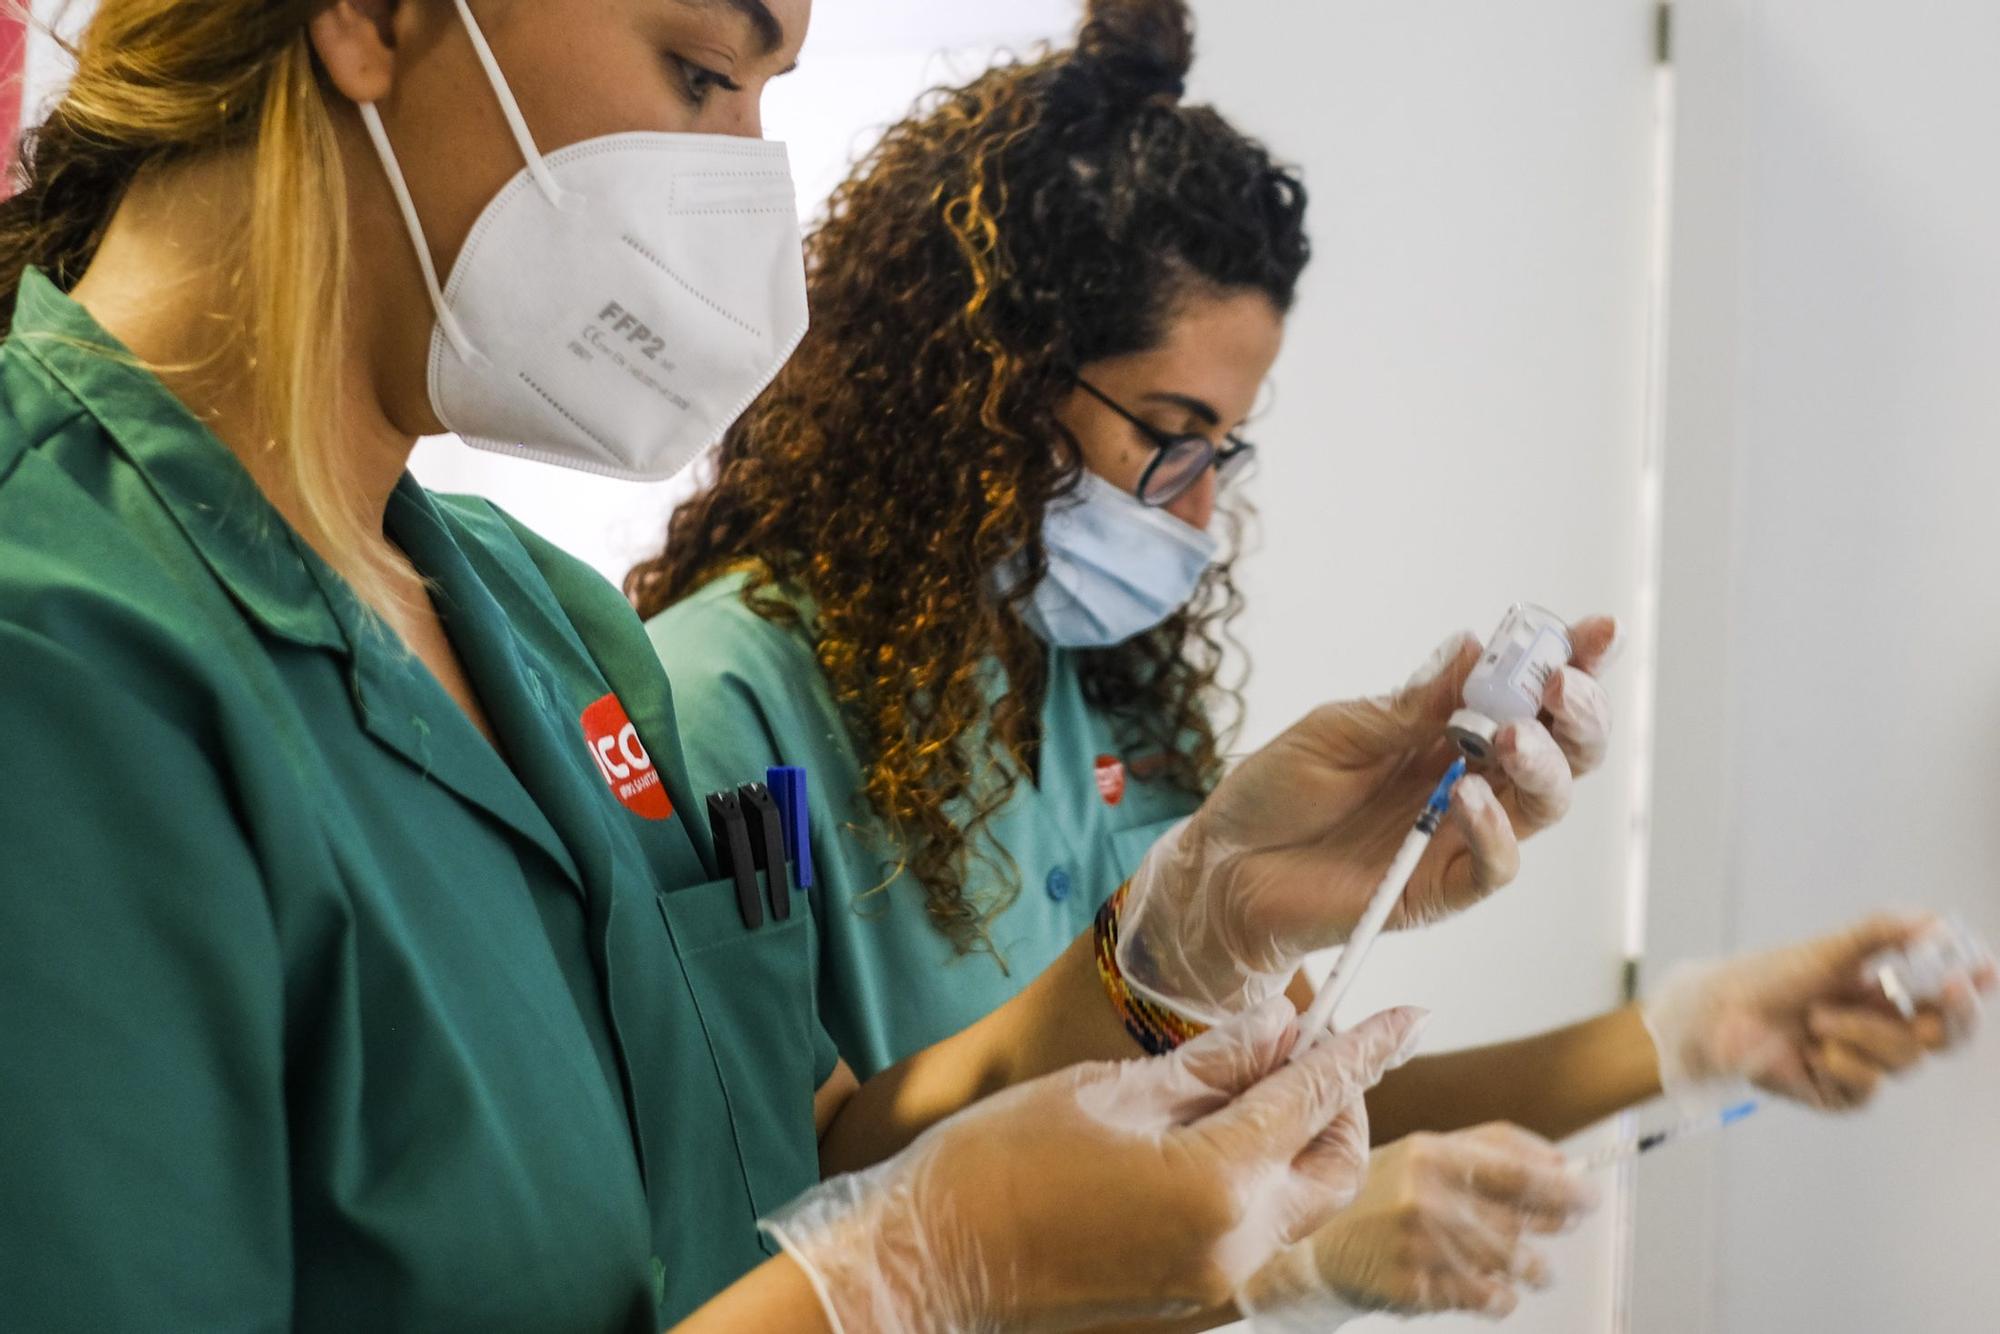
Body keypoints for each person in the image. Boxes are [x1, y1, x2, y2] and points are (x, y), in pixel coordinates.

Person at [0, 2, 1631, 1331]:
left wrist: (1190, 929)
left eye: (769, 94)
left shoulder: (535, 621)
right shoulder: (64, 645)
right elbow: (860, 1249)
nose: (741, 190)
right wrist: (908, 1283)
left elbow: (806, 1153)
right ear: (367, 16)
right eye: (703, 72)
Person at [632, 0, 1997, 1322]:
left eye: (1222, 450)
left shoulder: (1092, 707)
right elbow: (801, 1228)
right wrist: (1284, 1261)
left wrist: (1693, 1033)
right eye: (1169, 433)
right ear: (977, 376)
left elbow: (1308, 1125)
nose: (1200, 510)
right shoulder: (718, 710)